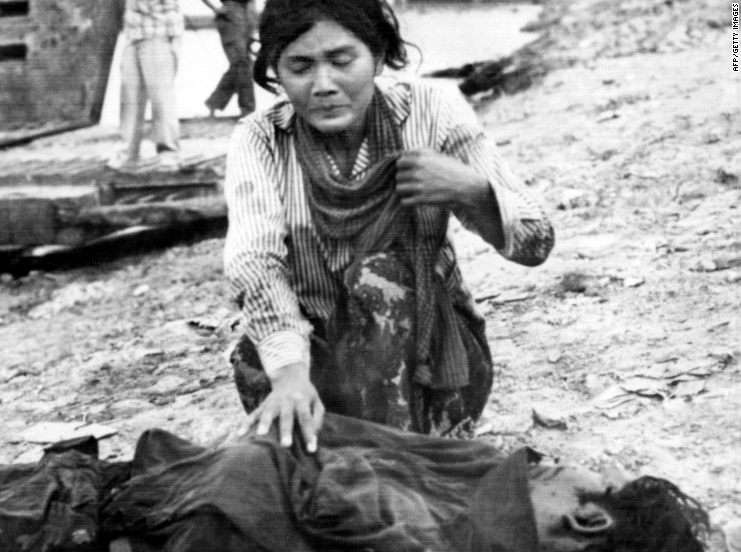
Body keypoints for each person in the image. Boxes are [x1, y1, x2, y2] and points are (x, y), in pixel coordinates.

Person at [223, 0, 555, 449]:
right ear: (276, 72)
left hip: (429, 361)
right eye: (299, 66)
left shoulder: (432, 110)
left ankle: (406, 446)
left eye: (342, 61)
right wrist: (288, 375)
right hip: (310, 364)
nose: (323, 85)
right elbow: (255, 261)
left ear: (377, 56)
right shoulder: (260, 137)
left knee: (380, 277)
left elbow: (535, 243)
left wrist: (472, 191)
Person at [0, 414, 710, 552]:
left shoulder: (444, 530)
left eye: (592, 472)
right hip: (138, 502)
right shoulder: (476, 502)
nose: (557, 456)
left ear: (586, 522)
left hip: (106, 527)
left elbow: (313, 474)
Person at [107, 0, 185, 172]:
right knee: (130, 99)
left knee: (161, 101)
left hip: (159, 34)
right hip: (134, 35)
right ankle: (126, 154)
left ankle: (169, 155)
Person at [201, 0, 256, 117]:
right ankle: (247, 109)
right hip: (231, 19)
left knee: (241, 64)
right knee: (242, 63)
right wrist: (217, 8)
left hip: (245, 16)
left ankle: (215, 103)